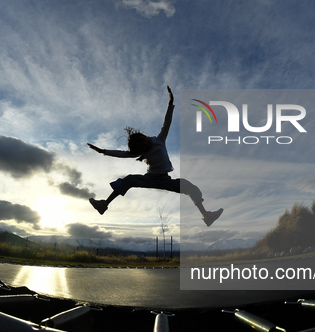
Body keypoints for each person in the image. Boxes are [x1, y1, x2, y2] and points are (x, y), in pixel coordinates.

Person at [87, 86, 223, 227]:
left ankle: (206, 215)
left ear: (145, 137)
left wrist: (170, 104)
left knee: (189, 186)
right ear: (141, 148)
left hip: (165, 180)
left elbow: (167, 123)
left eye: (146, 140)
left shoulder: (159, 140)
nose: (148, 143)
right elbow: (122, 154)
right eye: (145, 146)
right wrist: (103, 151)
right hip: (150, 179)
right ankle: (104, 205)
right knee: (127, 180)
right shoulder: (140, 150)